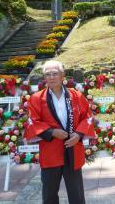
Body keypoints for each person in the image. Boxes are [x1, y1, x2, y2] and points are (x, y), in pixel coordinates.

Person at [25, 60, 94, 204]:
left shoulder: (76, 96)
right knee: (49, 194)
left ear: (63, 75)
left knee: (77, 194)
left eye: (55, 73)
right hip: (50, 151)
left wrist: (79, 134)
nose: (51, 77)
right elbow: (33, 122)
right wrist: (51, 132)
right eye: (47, 74)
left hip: (73, 148)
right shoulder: (36, 98)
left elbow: (87, 117)